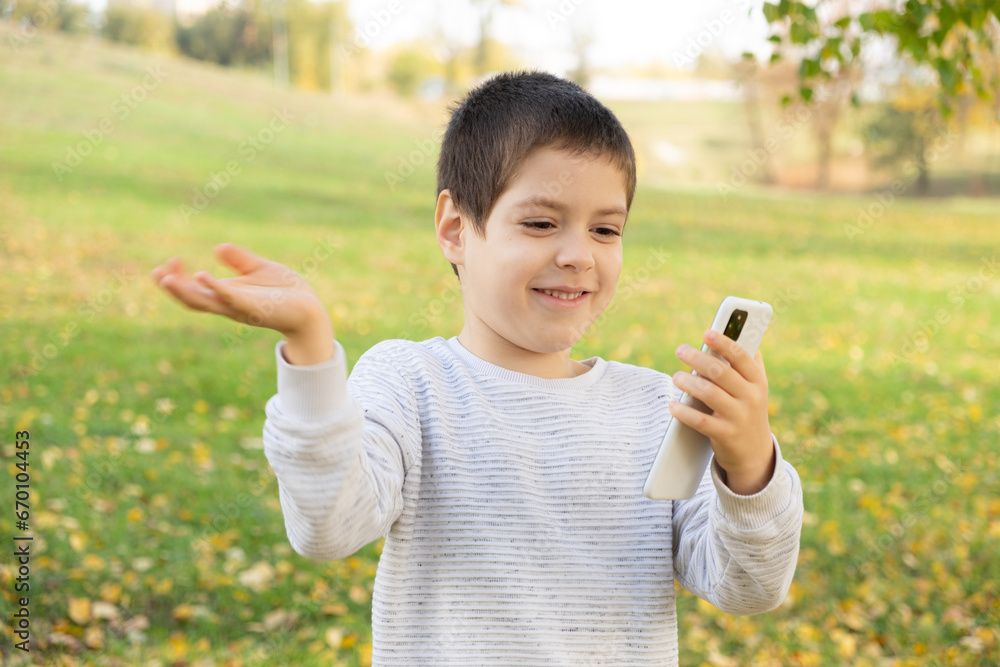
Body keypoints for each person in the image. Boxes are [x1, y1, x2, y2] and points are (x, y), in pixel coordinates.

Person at [151, 70, 803, 666]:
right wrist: (311, 350)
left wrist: (749, 466)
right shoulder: (409, 383)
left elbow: (748, 586)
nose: (578, 254)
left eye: (606, 230)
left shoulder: (654, 406)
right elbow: (328, 525)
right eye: (543, 222)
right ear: (456, 228)